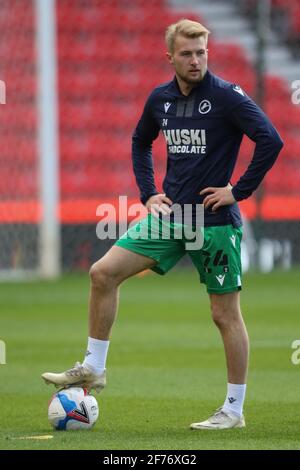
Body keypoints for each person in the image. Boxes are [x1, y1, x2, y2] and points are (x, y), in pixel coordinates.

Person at [42, 19, 283, 430]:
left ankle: (234, 410)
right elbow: (140, 141)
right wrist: (148, 193)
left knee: (224, 315)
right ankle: (94, 368)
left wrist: (237, 191)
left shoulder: (227, 97)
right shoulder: (161, 100)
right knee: (102, 273)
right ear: (169, 56)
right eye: (187, 53)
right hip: (171, 217)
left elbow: (271, 139)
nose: (196, 60)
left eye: (202, 51)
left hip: (214, 223)